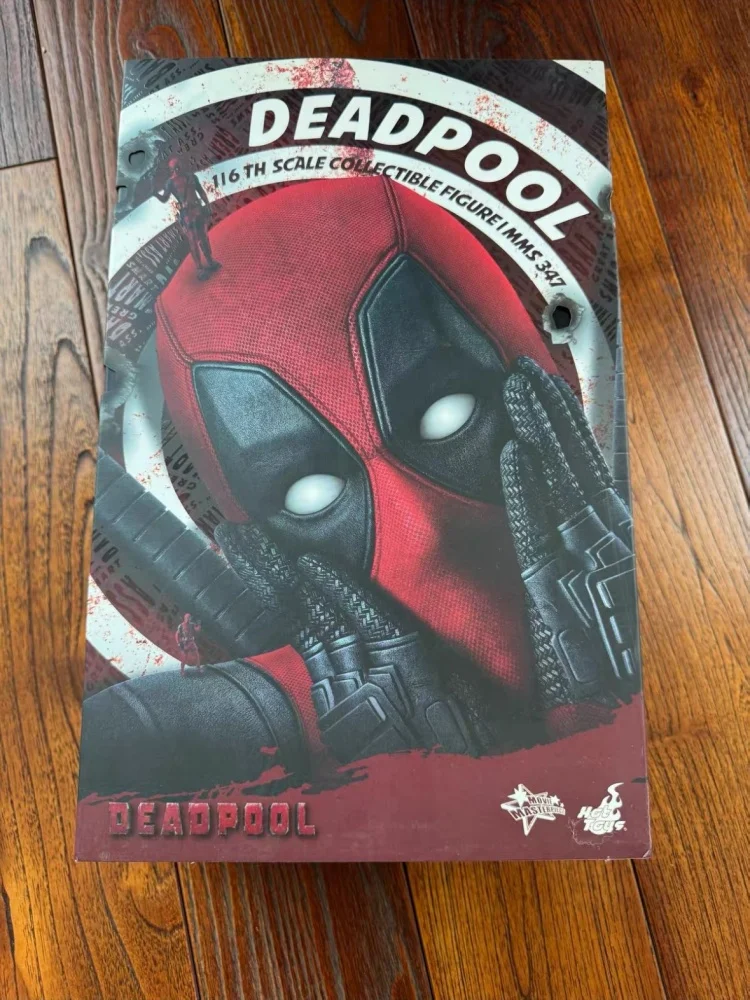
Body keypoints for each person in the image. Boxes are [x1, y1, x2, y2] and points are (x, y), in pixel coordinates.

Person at [155, 158, 220, 279]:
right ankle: (200, 268)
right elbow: (164, 198)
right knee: (193, 241)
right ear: (171, 169)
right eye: (174, 168)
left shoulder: (191, 177)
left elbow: (201, 191)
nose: (177, 170)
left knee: (204, 238)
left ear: (181, 165)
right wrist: (155, 194)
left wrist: (208, 205)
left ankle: (210, 261)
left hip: (198, 210)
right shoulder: (170, 183)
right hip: (187, 214)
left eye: (178, 166)